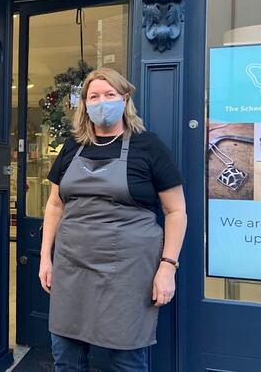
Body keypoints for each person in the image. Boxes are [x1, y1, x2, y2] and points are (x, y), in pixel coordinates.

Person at [39, 68, 187, 372]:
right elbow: (55, 205)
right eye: (94, 96)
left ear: (125, 98)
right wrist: (45, 257)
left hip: (129, 273)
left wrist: (167, 268)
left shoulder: (149, 146)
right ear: (84, 104)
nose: (102, 102)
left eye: (109, 95)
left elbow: (176, 212)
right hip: (72, 267)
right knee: (65, 357)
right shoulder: (72, 146)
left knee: (127, 360)